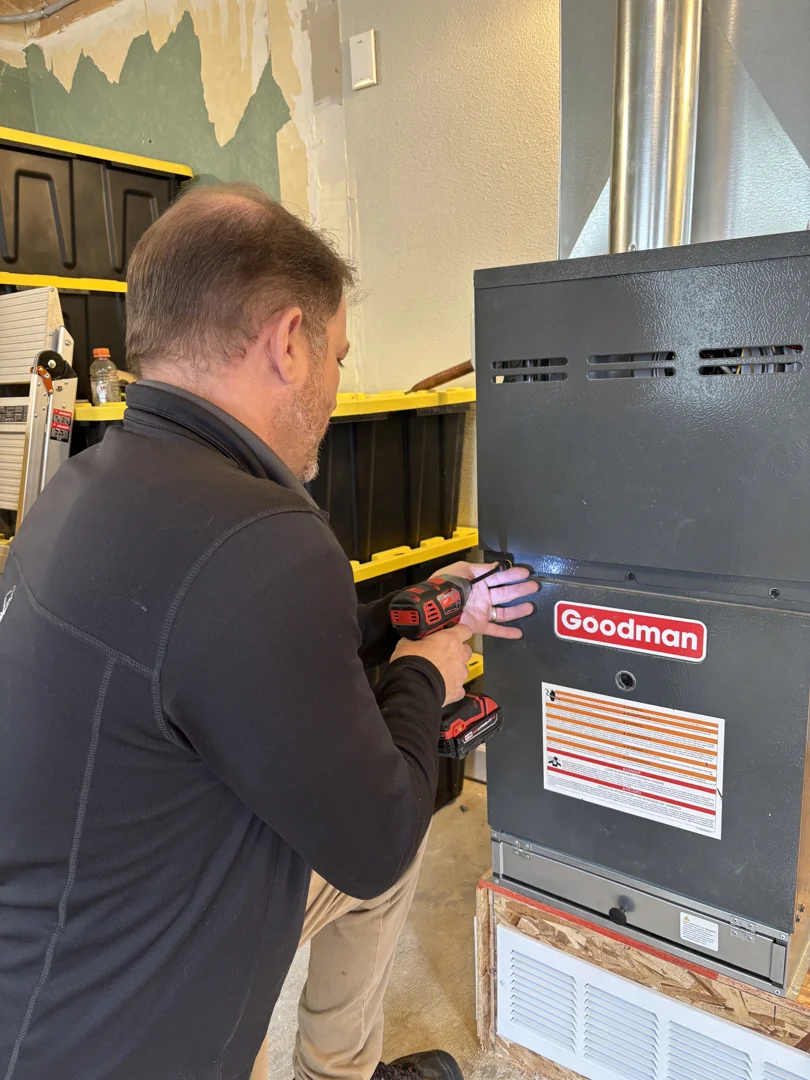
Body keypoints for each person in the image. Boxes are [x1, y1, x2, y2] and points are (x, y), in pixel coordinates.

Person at [0, 184, 537, 1080]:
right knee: (396, 826)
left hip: (56, 977)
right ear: (290, 342)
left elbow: (241, 658)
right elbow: (375, 839)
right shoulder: (263, 536)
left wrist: (418, 608)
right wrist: (426, 671)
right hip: (140, 1034)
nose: (336, 383)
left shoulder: (85, 487)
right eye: (338, 355)